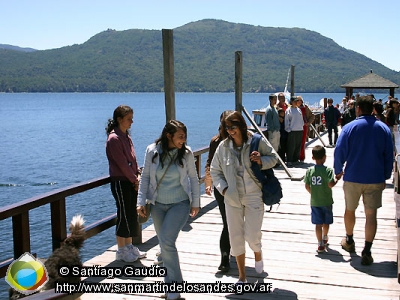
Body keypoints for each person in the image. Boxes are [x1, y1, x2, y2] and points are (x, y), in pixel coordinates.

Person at [210, 111, 277, 284]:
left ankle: (257, 253)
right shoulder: (223, 147)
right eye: (227, 128)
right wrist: (224, 189)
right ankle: (242, 277)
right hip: (232, 198)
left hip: (254, 195)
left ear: (241, 125)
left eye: (233, 127)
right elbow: (215, 171)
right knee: (236, 237)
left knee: (252, 235)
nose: (230, 131)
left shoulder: (256, 141)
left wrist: (261, 160)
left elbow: (274, 158)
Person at [137, 120, 200, 300]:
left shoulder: (186, 153)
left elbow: (194, 179)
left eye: (185, 136)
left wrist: (196, 202)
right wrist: (140, 201)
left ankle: (175, 285)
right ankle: (169, 283)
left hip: (179, 203)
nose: (184, 140)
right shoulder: (152, 151)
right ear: (168, 136)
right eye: (180, 136)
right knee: (164, 245)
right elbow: (146, 178)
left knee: (166, 240)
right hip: (157, 205)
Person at [334, 95, 393, 265]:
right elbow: (389, 155)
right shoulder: (383, 129)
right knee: (371, 214)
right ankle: (367, 250)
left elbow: (339, 150)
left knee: (350, 210)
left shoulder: (349, 127)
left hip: (353, 176)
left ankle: (350, 241)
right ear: (373, 109)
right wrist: (385, 175)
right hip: (375, 177)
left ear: (357, 108)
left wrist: (338, 170)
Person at [105, 105, 146, 263]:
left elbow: (132, 161)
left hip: (130, 180)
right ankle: (121, 250)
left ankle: (129, 246)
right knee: (123, 214)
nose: (132, 121)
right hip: (121, 182)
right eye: (129, 119)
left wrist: (137, 176)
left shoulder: (126, 136)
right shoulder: (114, 139)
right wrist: (134, 180)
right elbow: (122, 164)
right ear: (119, 119)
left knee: (130, 213)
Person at [204, 110, 233, 273]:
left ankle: (235, 249)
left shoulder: (239, 140)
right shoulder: (215, 142)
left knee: (237, 222)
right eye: (224, 124)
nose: (227, 127)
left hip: (239, 187)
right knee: (227, 222)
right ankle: (224, 259)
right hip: (221, 188)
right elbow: (210, 164)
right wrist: (209, 182)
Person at [304, 145, 337, 253]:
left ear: (313, 158)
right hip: (326, 201)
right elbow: (330, 184)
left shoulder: (309, 171)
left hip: (315, 201)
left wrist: (313, 194)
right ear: (325, 157)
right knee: (326, 222)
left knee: (318, 224)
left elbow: (307, 186)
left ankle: (320, 244)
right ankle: (325, 237)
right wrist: (337, 179)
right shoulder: (328, 170)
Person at [284, 96, 304, 166]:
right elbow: (286, 120)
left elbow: (301, 119)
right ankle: (289, 160)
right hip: (292, 130)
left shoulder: (298, 109)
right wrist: (288, 129)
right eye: (295, 101)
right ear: (292, 102)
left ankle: (296, 159)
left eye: (297, 101)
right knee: (291, 146)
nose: (297, 102)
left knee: (298, 146)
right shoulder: (288, 110)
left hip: (300, 129)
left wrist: (302, 126)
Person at [298, 96, 315, 163]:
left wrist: (308, 123)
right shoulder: (294, 107)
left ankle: (302, 157)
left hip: (304, 126)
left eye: (300, 100)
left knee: (302, 142)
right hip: (296, 127)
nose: (299, 102)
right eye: (297, 100)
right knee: (296, 143)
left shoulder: (305, 108)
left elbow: (312, 116)